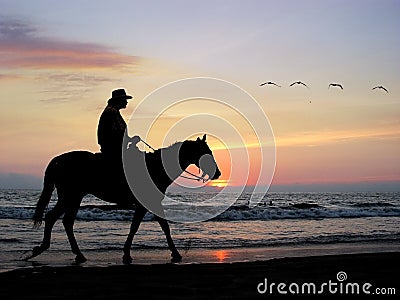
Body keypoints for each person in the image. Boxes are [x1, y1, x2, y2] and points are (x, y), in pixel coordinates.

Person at [97, 89, 140, 201]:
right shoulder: (111, 113)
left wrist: (130, 139)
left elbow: (118, 134)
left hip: (115, 147)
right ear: (119, 101)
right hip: (112, 149)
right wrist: (129, 141)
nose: (126, 102)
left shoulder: (113, 112)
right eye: (124, 100)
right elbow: (113, 135)